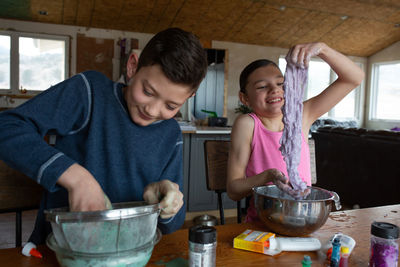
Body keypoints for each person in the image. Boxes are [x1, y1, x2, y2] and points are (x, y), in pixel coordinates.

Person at [0, 27, 208, 245]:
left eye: (171, 105)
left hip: (128, 252)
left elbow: (172, 226)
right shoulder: (89, 92)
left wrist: (166, 206)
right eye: (147, 92)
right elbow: (7, 126)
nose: (153, 110)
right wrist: (76, 178)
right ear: (132, 66)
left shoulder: (171, 134)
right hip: (60, 249)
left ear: (189, 97)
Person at [227, 42, 364, 222]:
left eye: (280, 83)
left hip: (304, 218)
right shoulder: (247, 124)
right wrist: (268, 176)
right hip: (263, 220)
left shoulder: (302, 114)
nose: (275, 89)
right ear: (244, 98)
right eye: (262, 86)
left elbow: (354, 78)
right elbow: (233, 190)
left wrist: (322, 49)